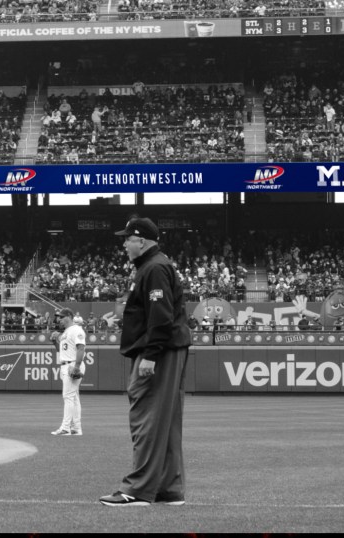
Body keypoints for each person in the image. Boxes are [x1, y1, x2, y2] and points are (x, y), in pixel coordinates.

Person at [100, 217, 192, 507]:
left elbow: (161, 316)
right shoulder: (155, 265)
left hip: (159, 352)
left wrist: (150, 354)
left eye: (127, 239)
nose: (124, 244)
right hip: (167, 348)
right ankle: (168, 488)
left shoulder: (153, 267)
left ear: (141, 241)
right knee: (166, 422)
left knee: (147, 419)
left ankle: (138, 490)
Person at [50, 309, 86, 436]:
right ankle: (76, 428)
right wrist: (55, 342)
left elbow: (81, 348)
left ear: (69, 316)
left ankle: (66, 428)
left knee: (68, 396)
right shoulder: (66, 332)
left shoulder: (76, 330)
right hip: (66, 364)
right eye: (58, 317)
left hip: (72, 364)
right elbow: (61, 351)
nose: (59, 319)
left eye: (62, 317)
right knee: (74, 397)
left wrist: (76, 366)